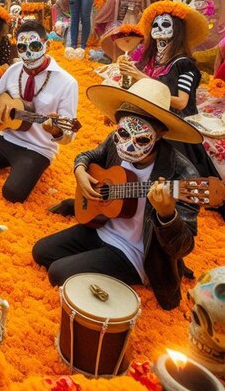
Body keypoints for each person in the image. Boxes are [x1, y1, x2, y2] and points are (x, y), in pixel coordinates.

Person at [32, 78, 202, 310]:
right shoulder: (115, 142)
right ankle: (96, 259)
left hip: (137, 252)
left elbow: (183, 247)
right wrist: (80, 170)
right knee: (41, 251)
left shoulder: (182, 174)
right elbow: (89, 156)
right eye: (123, 132)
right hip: (101, 226)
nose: (129, 145)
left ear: (160, 134)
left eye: (142, 139)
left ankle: (118, 272)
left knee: (58, 272)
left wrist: (167, 215)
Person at [0, 21, 78, 203]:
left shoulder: (67, 83)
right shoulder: (14, 70)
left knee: (13, 193)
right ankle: (10, 163)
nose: (28, 53)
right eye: (22, 47)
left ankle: (23, 167)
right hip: (6, 137)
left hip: (38, 148)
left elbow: (69, 134)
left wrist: (58, 131)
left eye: (35, 46)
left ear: (47, 44)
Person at [119, 0, 217, 178]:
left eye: (165, 24)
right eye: (155, 25)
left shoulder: (184, 65)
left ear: (177, 30)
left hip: (175, 129)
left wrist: (144, 79)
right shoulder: (150, 63)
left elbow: (181, 103)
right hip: (149, 123)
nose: (159, 28)